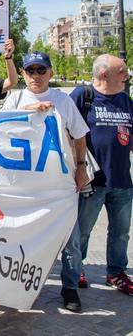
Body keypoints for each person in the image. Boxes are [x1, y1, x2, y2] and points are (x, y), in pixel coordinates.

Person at [1, 51, 91, 311]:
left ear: (50, 73)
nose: (36, 76)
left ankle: (71, 287)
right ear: (24, 73)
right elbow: (1, 125)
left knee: (70, 239)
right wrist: (29, 110)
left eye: (41, 70)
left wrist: (82, 166)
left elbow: (79, 134)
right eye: (31, 71)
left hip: (60, 182)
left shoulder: (63, 101)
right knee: (24, 234)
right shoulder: (15, 98)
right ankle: (22, 283)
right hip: (26, 184)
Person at [67, 54, 133, 300]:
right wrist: (78, 167)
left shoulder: (126, 100)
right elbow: (67, 130)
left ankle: (116, 272)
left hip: (122, 181)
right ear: (105, 75)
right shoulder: (83, 97)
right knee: (82, 231)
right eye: (123, 71)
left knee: (121, 231)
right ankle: (76, 269)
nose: (127, 75)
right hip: (92, 180)